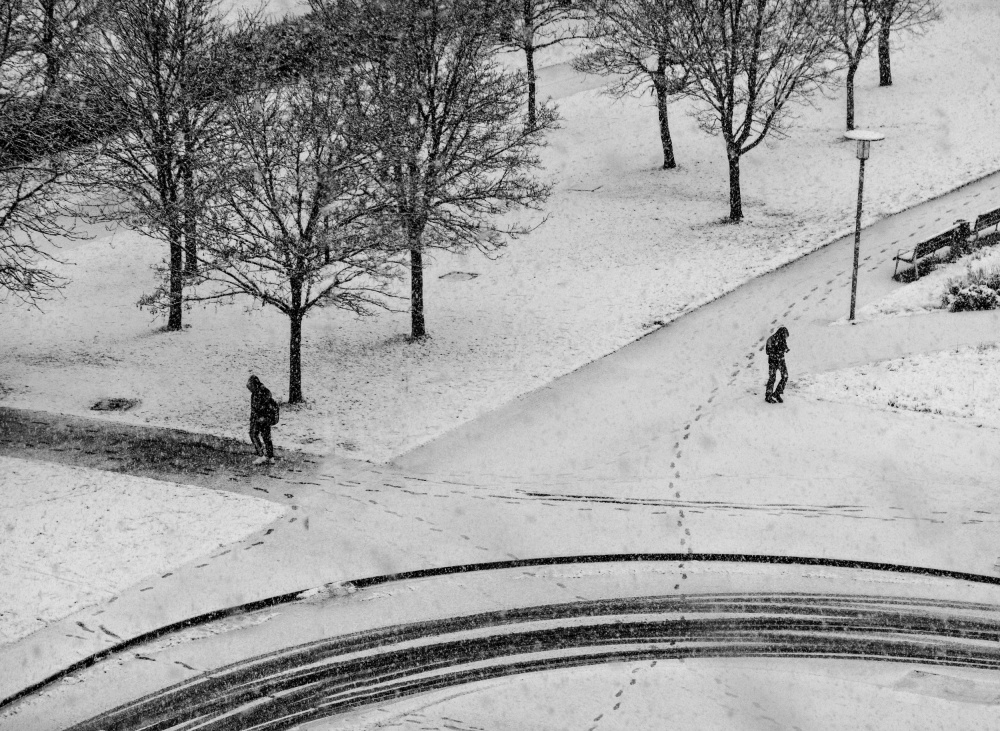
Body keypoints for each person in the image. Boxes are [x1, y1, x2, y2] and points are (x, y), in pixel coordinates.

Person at [247, 375, 275, 464]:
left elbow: (257, 408)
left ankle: (261, 455)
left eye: (250, 386)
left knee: (253, 434)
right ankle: (270, 457)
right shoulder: (263, 392)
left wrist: (257, 418)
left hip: (259, 419)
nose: (249, 388)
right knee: (266, 436)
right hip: (264, 418)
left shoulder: (258, 394)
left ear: (254, 385)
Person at [764, 326, 790, 404]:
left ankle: (777, 393)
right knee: (772, 378)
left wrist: (786, 349)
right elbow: (768, 351)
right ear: (781, 333)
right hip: (773, 362)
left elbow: (784, 347)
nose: (785, 338)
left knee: (785, 377)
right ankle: (768, 396)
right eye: (785, 335)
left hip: (781, 361)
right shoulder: (771, 339)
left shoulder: (782, 339)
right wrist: (777, 354)